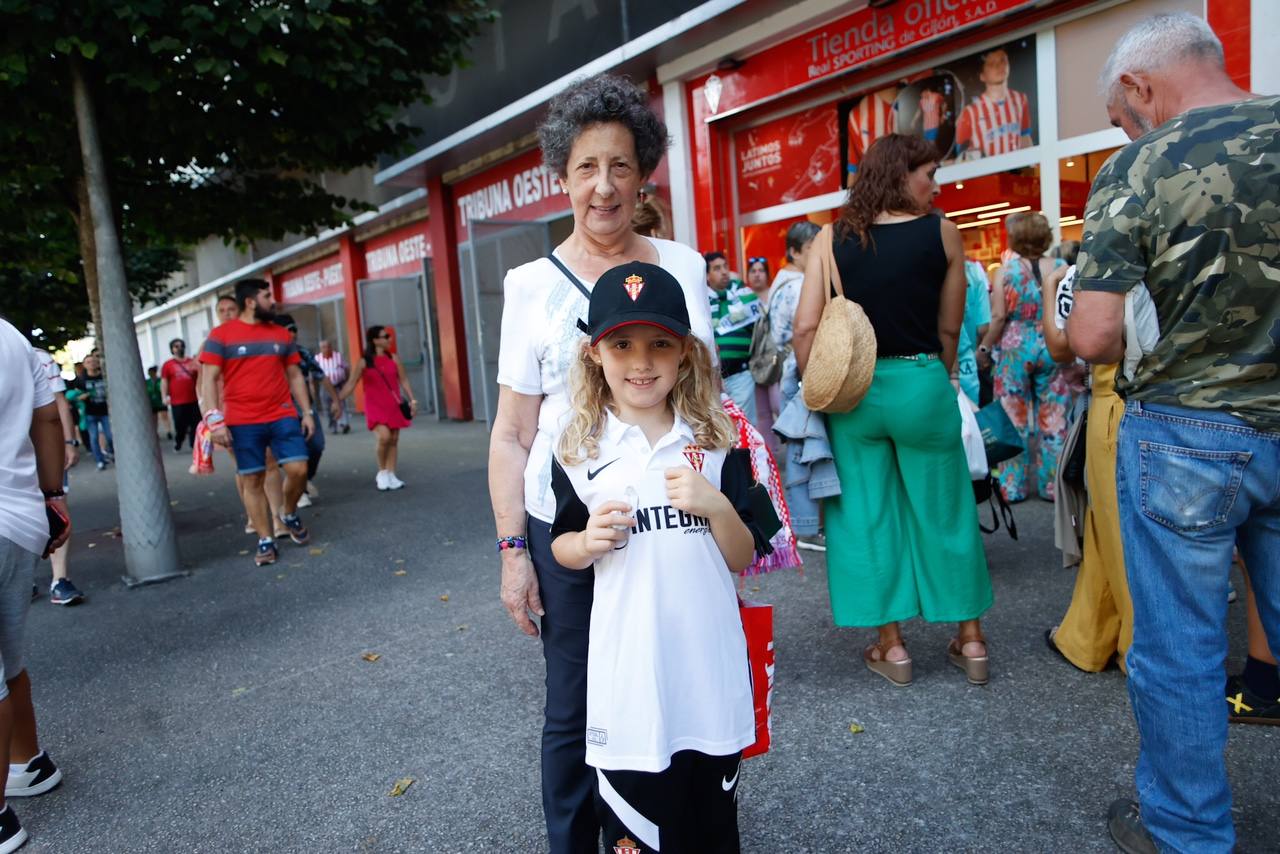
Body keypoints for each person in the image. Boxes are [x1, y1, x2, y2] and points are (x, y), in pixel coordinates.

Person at [1065, 13, 1280, 852]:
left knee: (1180, 650)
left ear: (1139, 87)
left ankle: (1190, 834)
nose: (1128, 129)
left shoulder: (1139, 167)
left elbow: (1091, 335)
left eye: (1124, 117)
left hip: (1186, 433)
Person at [487, 73, 715, 854]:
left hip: (671, 519)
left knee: (676, 683)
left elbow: (707, 404)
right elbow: (514, 434)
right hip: (570, 533)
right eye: (587, 167)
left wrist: (728, 513)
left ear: (643, 173)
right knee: (574, 703)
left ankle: (671, 832)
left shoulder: (683, 269)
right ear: (563, 176)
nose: (604, 186)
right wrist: (515, 552)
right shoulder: (528, 287)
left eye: (620, 166)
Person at [550, 262, 758, 853]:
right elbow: (562, 546)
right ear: (595, 353)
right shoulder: (578, 447)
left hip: (708, 685)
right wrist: (587, 542)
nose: (641, 362)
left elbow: (742, 556)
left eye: (659, 345)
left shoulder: (716, 439)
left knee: (709, 835)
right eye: (622, 344)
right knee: (636, 839)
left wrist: (717, 507)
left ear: (685, 353)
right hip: (630, 693)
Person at [792, 133, 993, 687]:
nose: (936, 183)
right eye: (928, 173)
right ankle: (970, 639)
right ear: (900, 174)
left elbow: (805, 328)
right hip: (923, 380)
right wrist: (940, 373)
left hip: (854, 392)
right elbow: (951, 327)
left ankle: (893, 647)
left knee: (864, 515)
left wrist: (822, 387)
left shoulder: (830, 239)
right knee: (947, 507)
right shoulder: (945, 235)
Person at [0, 317, 72, 852]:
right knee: (8, 657)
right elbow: (47, 419)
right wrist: (52, 497)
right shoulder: (9, 334)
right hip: (17, 516)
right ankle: (28, 762)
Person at [198, 278, 315, 567]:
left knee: (299, 469)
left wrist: (308, 412)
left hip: (282, 414)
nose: (272, 301)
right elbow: (209, 380)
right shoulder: (221, 335)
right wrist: (215, 420)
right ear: (250, 302)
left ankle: (288, 514)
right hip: (242, 420)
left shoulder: (281, 335)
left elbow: (295, 375)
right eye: (266, 296)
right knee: (252, 479)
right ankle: (265, 539)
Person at [981, 212, 1070, 502]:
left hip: (1014, 348)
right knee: (1054, 416)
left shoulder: (1006, 272)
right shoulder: (1061, 267)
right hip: (1051, 342)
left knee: (1012, 417)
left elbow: (997, 317)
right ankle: (1053, 487)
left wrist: (984, 348)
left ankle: (1013, 486)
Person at [33, 350, 85, 607]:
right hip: (35, 447)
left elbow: (60, 404)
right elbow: (59, 405)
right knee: (54, 506)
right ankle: (51, 580)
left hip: (37, 447)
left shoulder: (37, 357)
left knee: (53, 509)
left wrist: (68, 442)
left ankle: (56, 579)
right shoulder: (34, 356)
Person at [336, 326, 416, 490]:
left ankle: (392, 475)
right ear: (375, 340)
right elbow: (351, 383)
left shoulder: (394, 358)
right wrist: (337, 400)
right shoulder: (364, 362)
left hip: (394, 405)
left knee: (394, 440)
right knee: (384, 437)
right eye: (385, 336)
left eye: (389, 336)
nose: (389, 339)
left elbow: (404, 380)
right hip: (375, 406)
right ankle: (382, 472)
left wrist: (412, 399)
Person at [274, 315, 340, 505]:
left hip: (305, 407)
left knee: (316, 445)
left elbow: (321, 376)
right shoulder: (270, 355)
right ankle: (298, 489)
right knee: (293, 451)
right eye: (288, 329)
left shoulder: (303, 352)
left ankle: (304, 480)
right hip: (281, 408)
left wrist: (336, 401)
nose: (293, 333)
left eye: (294, 328)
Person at [705, 251, 760, 422]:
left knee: (743, 425)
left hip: (741, 374)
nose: (723, 272)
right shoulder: (702, 299)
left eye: (725, 266)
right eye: (717, 268)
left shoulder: (743, 294)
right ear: (707, 275)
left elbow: (758, 328)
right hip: (713, 378)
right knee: (720, 426)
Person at [953, 48, 1032, 159]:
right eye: (992, 64)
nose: (999, 66)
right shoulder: (970, 112)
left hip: (1016, 174)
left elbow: (1025, 137)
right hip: (987, 175)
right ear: (982, 76)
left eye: (1003, 60)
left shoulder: (1020, 99)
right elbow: (958, 154)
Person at [955, 260, 992, 405]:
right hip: (967, 362)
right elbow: (983, 326)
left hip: (932, 363)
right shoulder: (973, 271)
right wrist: (981, 349)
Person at [161, 338, 201, 452]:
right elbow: (164, 382)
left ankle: (194, 444)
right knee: (180, 425)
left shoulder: (192, 362)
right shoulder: (168, 365)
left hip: (193, 399)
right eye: (176, 346)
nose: (179, 348)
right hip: (177, 401)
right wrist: (164, 396)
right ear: (172, 350)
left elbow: (199, 378)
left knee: (195, 423)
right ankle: (179, 441)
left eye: (181, 346)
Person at [78, 354, 113, 471]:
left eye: (93, 361)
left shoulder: (104, 376)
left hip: (105, 412)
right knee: (93, 438)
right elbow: (76, 396)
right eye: (88, 362)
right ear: (84, 365)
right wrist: (84, 396)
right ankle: (99, 460)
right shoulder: (81, 379)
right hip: (90, 413)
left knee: (110, 436)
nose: (92, 364)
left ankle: (111, 452)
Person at [314, 339, 351, 433]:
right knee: (327, 406)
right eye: (323, 347)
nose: (326, 349)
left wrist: (346, 381)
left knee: (341, 403)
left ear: (331, 347)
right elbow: (313, 373)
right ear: (320, 349)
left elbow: (346, 368)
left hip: (338, 384)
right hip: (325, 387)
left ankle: (343, 424)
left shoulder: (338, 356)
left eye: (328, 346)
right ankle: (332, 425)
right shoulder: (317, 358)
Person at [144, 366, 171, 440]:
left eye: (151, 372)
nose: (150, 374)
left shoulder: (160, 380)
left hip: (160, 401)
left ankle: (168, 431)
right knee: (154, 419)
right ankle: (155, 432)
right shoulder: (147, 382)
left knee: (164, 416)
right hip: (152, 403)